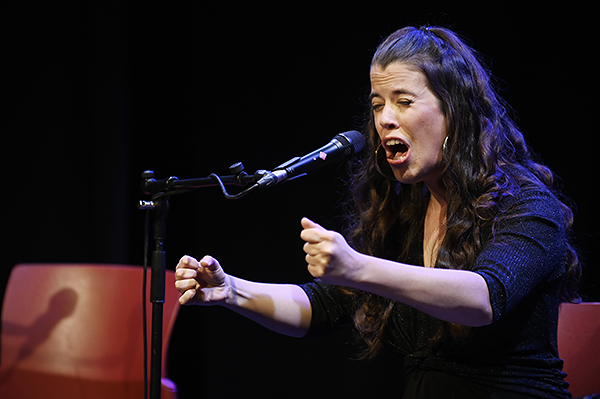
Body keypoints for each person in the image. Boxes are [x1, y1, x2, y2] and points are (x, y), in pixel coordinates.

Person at [175, 26, 580, 398]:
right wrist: (231, 291)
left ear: (454, 111)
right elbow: (322, 306)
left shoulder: (528, 205)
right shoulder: (404, 213)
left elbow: (484, 298)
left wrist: (357, 267)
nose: (385, 119)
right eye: (377, 104)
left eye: (403, 101)